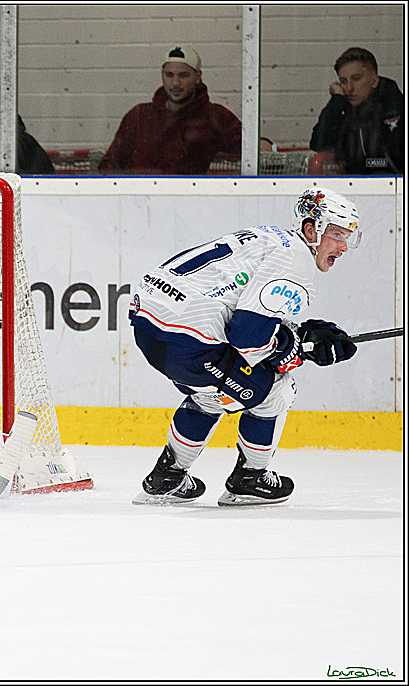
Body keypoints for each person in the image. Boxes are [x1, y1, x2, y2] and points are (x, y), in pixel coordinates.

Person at [128, 187, 361, 506]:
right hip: (190, 343)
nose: (343, 246)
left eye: (348, 237)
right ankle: (250, 479)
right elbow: (249, 339)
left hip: (150, 330)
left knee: (214, 392)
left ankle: (166, 478)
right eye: (336, 235)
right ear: (311, 230)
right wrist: (297, 350)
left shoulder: (270, 237)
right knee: (277, 389)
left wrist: (295, 335)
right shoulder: (295, 260)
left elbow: (241, 311)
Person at [98, 46, 242, 175]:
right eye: (169, 75)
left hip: (186, 196)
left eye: (183, 76)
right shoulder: (139, 116)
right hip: (139, 196)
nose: (175, 83)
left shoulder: (215, 117)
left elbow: (252, 149)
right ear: (162, 75)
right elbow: (109, 166)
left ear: (198, 77)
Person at [309, 47, 403, 175]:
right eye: (343, 81)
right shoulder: (347, 114)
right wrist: (336, 101)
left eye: (356, 78)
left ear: (374, 81)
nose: (349, 88)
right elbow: (319, 144)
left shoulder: (396, 111)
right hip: (354, 185)